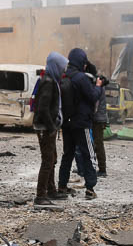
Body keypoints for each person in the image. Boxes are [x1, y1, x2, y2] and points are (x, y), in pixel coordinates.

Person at [56, 47, 102, 200]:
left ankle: (62, 185)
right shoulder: (82, 78)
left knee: (67, 155)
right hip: (82, 123)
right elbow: (92, 97)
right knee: (89, 155)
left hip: (67, 123)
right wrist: (99, 86)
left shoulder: (64, 76)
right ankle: (90, 188)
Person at [33, 52, 67, 205]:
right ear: (56, 66)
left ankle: (51, 190)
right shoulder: (48, 82)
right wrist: (52, 127)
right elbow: (43, 108)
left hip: (48, 127)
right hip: (45, 128)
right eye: (62, 67)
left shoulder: (51, 80)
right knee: (47, 161)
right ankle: (40, 195)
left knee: (52, 159)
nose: (63, 70)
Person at [90, 69, 109, 176]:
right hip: (100, 118)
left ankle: (102, 169)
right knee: (97, 144)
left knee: (98, 144)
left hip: (97, 119)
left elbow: (95, 106)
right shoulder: (101, 87)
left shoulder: (98, 88)